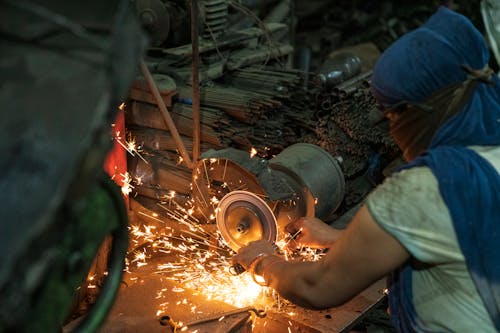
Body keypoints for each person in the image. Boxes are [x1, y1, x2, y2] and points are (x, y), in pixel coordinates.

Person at [231, 6, 500, 332]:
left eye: (392, 116)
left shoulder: (425, 187)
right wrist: (339, 239)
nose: (392, 129)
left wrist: (264, 262)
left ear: (419, 111)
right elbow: (451, 235)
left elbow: (319, 287)